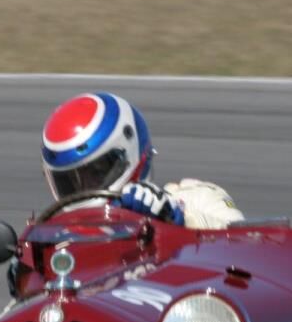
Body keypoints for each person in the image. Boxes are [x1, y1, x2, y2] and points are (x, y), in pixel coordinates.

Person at [41, 92, 244, 229]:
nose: (84, 188)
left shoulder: (196, 197)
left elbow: (245, 245)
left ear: (129, 155)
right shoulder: (55, 237)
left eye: (96, 173)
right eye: (69, 181)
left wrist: (177, 218)